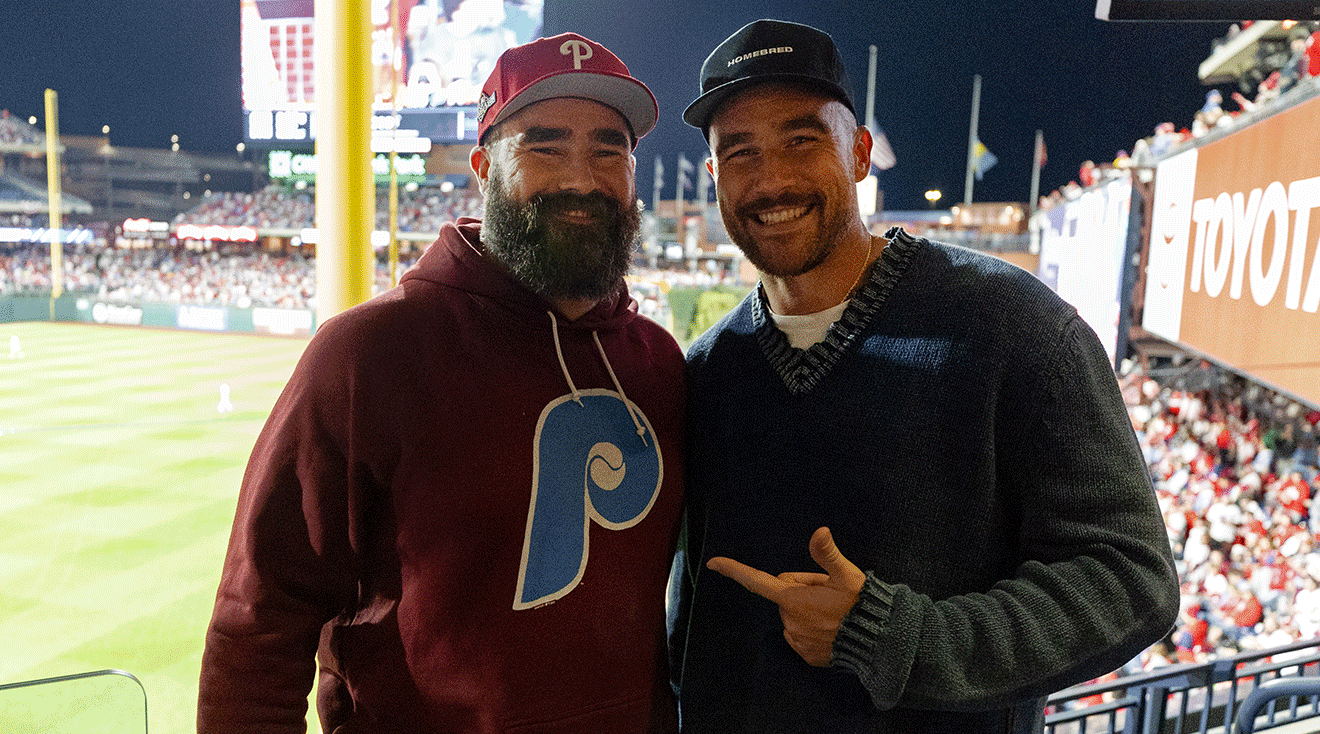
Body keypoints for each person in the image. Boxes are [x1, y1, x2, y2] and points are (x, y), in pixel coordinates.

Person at [669, 19, 1181, 733]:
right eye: (740, 151)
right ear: (716, 174)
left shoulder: (1015, 326)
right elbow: (693, 613)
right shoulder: (705, 369)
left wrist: (888, 637)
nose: (772, 178)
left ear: (859, 153)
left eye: (800, 140)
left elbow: (1130, 580)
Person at [199, 32, 685, 733]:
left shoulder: (660, 366)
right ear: (484, 168)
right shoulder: (369, 353)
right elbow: (258, 624)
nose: (582, 178)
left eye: (610, 149)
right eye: (544, 147)